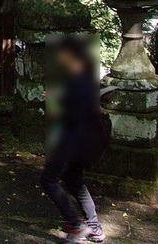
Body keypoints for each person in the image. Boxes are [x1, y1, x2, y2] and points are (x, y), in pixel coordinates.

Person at [41, 36, 109, 243]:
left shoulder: (79, 82)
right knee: (75, 181)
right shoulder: (82, 79)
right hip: (83, 143)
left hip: (71, 141)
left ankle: (76, 225)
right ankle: (94, 227)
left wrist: (54, 101)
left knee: (48, 180)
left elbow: (73, 114)